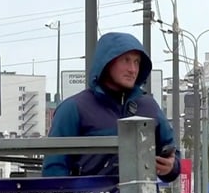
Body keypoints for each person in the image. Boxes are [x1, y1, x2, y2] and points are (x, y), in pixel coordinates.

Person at [43, 32, 180, 182]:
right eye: (126, 60)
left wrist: (171, 167)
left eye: (137, 62)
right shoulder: (73, 108)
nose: (132, 69)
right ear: (107, 62)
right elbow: (54, 171)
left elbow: (173, 155)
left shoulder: (149, 106)